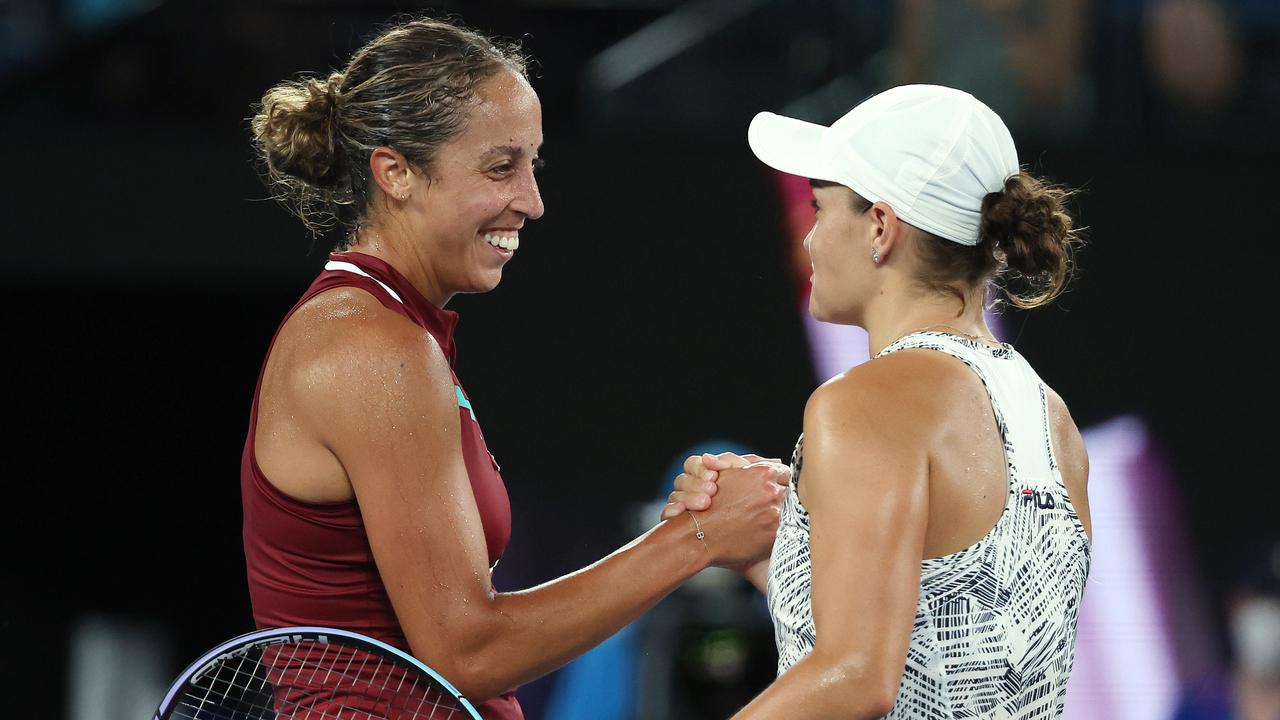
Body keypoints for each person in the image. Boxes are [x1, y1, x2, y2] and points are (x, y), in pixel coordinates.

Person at [241, 16, 787, 719]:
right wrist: (696, 540)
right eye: (501, 167)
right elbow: (466, 654)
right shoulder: (370, 349)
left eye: (532, 165)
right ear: (396, 172)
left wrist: (685, 538)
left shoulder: (393, 332)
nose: (531, 200)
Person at [664, 84, 1092, 718]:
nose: (807, 238)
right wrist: (776, 560)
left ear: (881, 228)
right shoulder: (1051, 417)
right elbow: (965, 633)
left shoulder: (863, 404)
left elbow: (857, 679)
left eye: (818, 208)